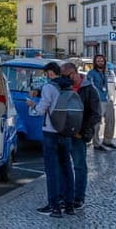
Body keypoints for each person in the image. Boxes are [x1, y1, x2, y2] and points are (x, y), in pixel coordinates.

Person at [27, 62, 75, 218]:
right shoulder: (68, 85)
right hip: (66, 131)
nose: (46, 76)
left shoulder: (49, 87)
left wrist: (32, 105)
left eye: (46, 73)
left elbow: (41, 110)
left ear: (50, 73)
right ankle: (69, 205)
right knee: (67, 169)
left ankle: (54, 207)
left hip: (51, 131)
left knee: (52, 170)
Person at [60, 62, 101, 210]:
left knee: (79, 166)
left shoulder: (89, 89)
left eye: (65, 76)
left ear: (73, 73)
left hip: (78, 135)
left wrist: (83, 132)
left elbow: (96, 114)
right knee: (64, 166)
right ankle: (66, 196)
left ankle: (79, 197)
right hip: (64, 132)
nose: (63, 79)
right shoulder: (64, 87)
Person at [89, 54, 116, 151]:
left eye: (102, 61)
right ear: (95, 62)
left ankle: (107, 141)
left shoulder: (107, 73)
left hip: (108, 99)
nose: (100, 62)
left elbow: (112, 83)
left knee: (111, 121)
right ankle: (96, 143)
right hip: (98, 101)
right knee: (97, 123)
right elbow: (91, 86)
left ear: (104, 62)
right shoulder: (91, 73)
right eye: (98, 61)